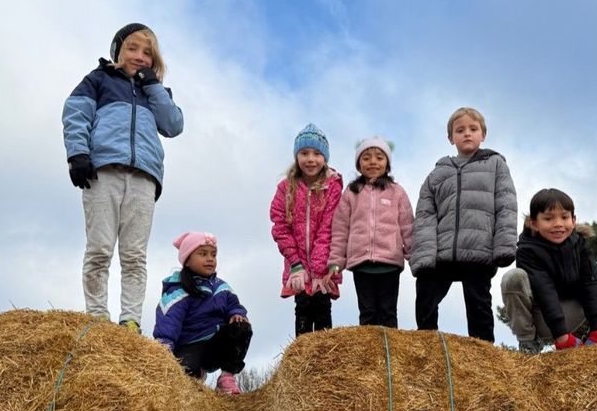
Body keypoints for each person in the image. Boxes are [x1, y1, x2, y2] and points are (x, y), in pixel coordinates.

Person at [62, 22, 184, 333]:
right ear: (118, 51)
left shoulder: (156, 93)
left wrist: (153, 85)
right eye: (132, 48)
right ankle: (97, 316)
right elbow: (75, 113)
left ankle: (130, 320)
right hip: (102, 171)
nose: (140, 56)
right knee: (100, 248)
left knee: (134, 255)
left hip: (144, 177)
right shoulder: (98, 80)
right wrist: (78, 154)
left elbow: (173, 125)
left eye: (148, 53)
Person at [410, 106, 517, 342]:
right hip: (442, 251)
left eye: (473, 129)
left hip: (479, 249)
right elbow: (425, 215)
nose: (467, 133)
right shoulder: (437, 174)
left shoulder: (496, 164)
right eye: (460, 130)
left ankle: (483, 350)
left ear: (483, 134)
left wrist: (504, 246)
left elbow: (506, 205)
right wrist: (425, 256)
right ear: (451, 138)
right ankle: (426, 343)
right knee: (426, 295)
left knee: (478, 303)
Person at [500, 188, 597, 353]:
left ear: (573, 221)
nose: (558, 224)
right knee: (513, 278)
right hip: (542, 318)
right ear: (533, 223)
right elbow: (545, 291)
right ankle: (528, 343)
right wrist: (562, 337)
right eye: (548, 219)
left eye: (564, 217)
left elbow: (591, 282)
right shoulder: (526, 251)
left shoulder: (579, 243)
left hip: (574, 312)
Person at [327, 137, 414, 328]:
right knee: (367, 313)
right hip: (361, 263)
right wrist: (336, 260)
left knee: (388, 312)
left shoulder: (397, 192)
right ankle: (369, 357)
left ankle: (390, 354)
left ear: (387, 164)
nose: (373, 162)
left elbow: (407, 225)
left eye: (379, 157)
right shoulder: (351, 192)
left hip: (389, 262)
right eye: (366, 158)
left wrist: (413, 256)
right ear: (359, 164)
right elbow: (341, 228)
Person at [153, 232, 251, 394]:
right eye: (203, 254)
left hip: (215, 344)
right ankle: (197, 374)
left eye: (213, 255)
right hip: (190, 346)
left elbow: (234, 304)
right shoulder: (179, 290)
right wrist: (165, 343)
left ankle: (226, 377)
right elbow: (169, 319)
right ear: (188, 260)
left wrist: (236, 312)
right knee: (185, 371)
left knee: (242, 326)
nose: (210, 259)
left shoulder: (222, 287)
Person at [269, 124, 343, 336]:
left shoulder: (333, 187)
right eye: (304, 153)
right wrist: (296, 263)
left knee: (322, 311)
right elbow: (280, 226)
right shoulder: (285, 188)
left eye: (317, 154)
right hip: (297, 266)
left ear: (325, 158)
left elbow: (330, 226)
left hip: (325, 267)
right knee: (302, 311)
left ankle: (326, 363)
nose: (311, 159)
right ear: (296, 156)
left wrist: (320, 268)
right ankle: (302, 361)